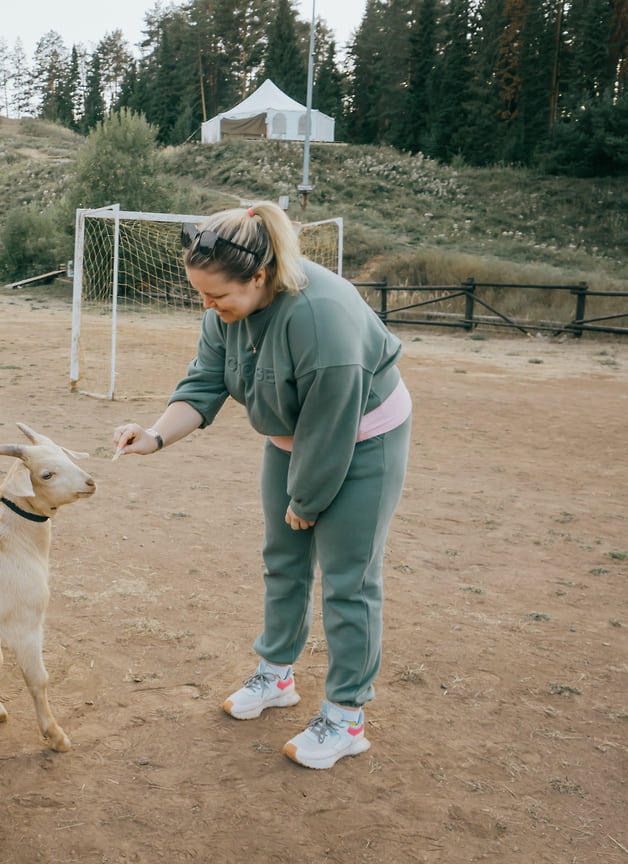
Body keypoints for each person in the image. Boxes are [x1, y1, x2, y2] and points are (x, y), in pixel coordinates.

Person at [113, 202, 411, 770]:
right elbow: (203, 382)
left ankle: (346, 717)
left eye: (217, 296)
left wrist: (308, 498)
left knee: (349, 579)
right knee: (283, 558)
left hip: (362, 437)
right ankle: (277, 675)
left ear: (259, 276)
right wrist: (154, 436)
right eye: (201, 295)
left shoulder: (321, 318)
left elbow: (332, 422)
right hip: (294, 439)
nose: (208, 306)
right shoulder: (225, 309)